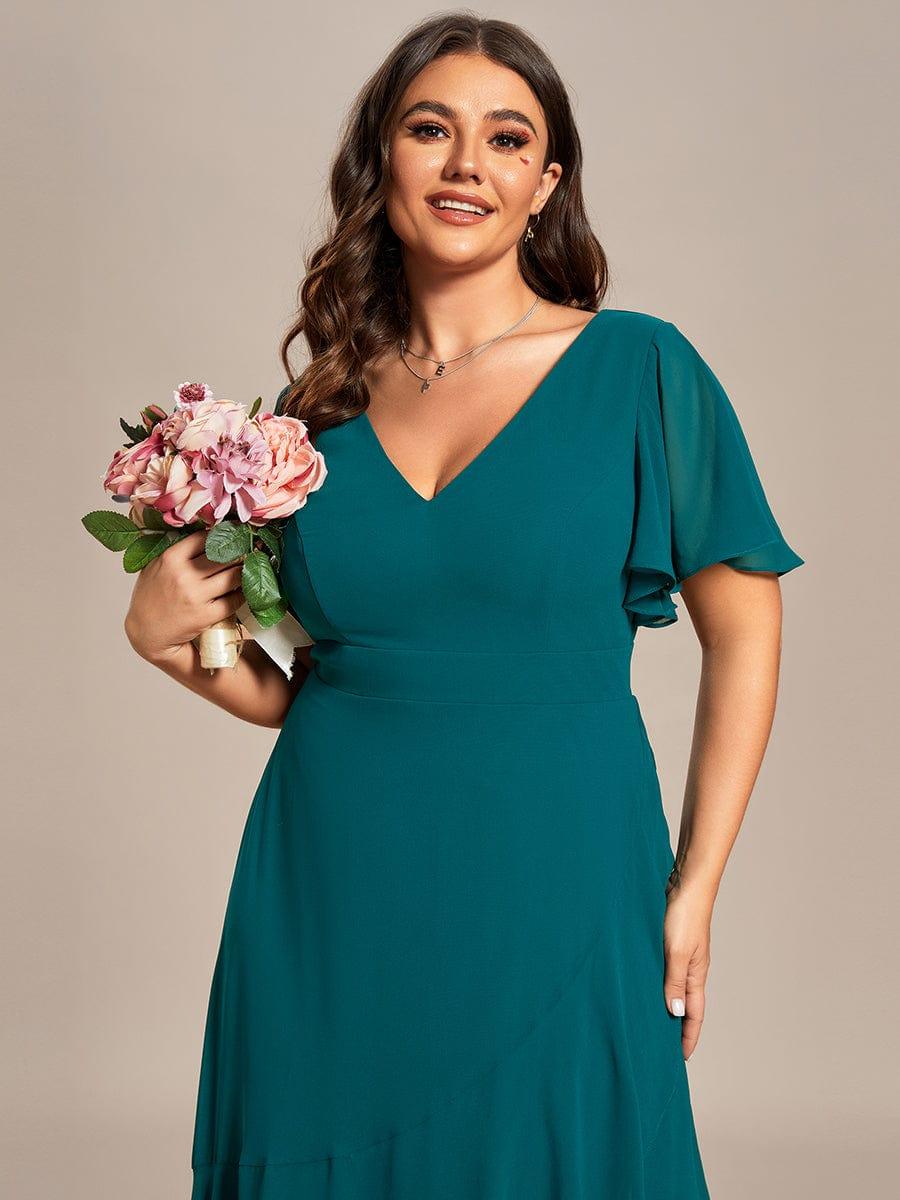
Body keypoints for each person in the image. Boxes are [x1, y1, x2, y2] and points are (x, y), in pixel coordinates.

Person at [124, 13, 803, 1198]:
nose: (466, 164)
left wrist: (696, 886)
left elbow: (745, 633)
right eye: (430, 129)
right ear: (381, 159)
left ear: (547, 184)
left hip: (567, 868)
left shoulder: (643, 369)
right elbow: (308, 691)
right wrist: (166, 640)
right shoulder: (311, 415)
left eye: (507, 138)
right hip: (331, 884)